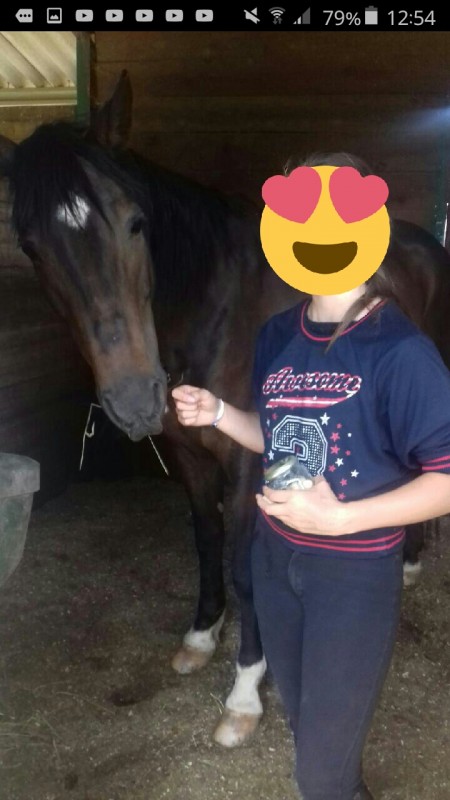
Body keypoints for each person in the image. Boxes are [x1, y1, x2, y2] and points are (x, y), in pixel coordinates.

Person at [171, 152, 450, 800]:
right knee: (308, 732)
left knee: (320, 774)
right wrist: (219, 413)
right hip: (276, 562)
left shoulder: (400, 351)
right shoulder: (277, 335)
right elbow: (281, 437)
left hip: (352, 575)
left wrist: (343, 518)